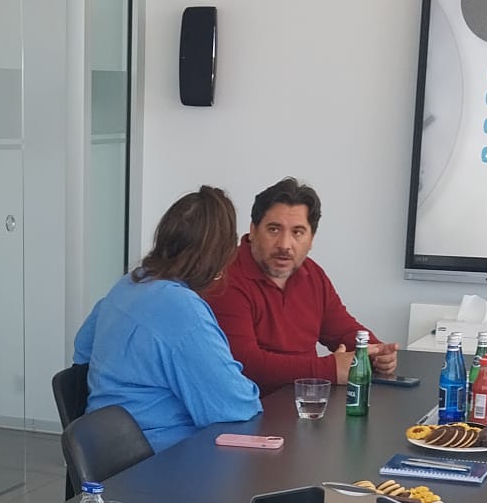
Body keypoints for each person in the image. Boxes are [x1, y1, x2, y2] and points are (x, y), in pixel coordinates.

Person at [72, 185, 263, 452]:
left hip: (104, 451)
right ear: (219, 257)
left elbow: (82, 350)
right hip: (157, 460)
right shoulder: (183, 309)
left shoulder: (128, 284)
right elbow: (234, 406)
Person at [205, 176, 398, 392]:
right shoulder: (226, 277)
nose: (284, 245)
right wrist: (330, 369)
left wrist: (376, 352)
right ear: (253, 230)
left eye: (297, 232)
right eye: (274, 229)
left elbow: (342, 329)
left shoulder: (312, 274)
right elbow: (246, 363)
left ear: (312, 238)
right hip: (252, 407)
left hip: (307, 401)